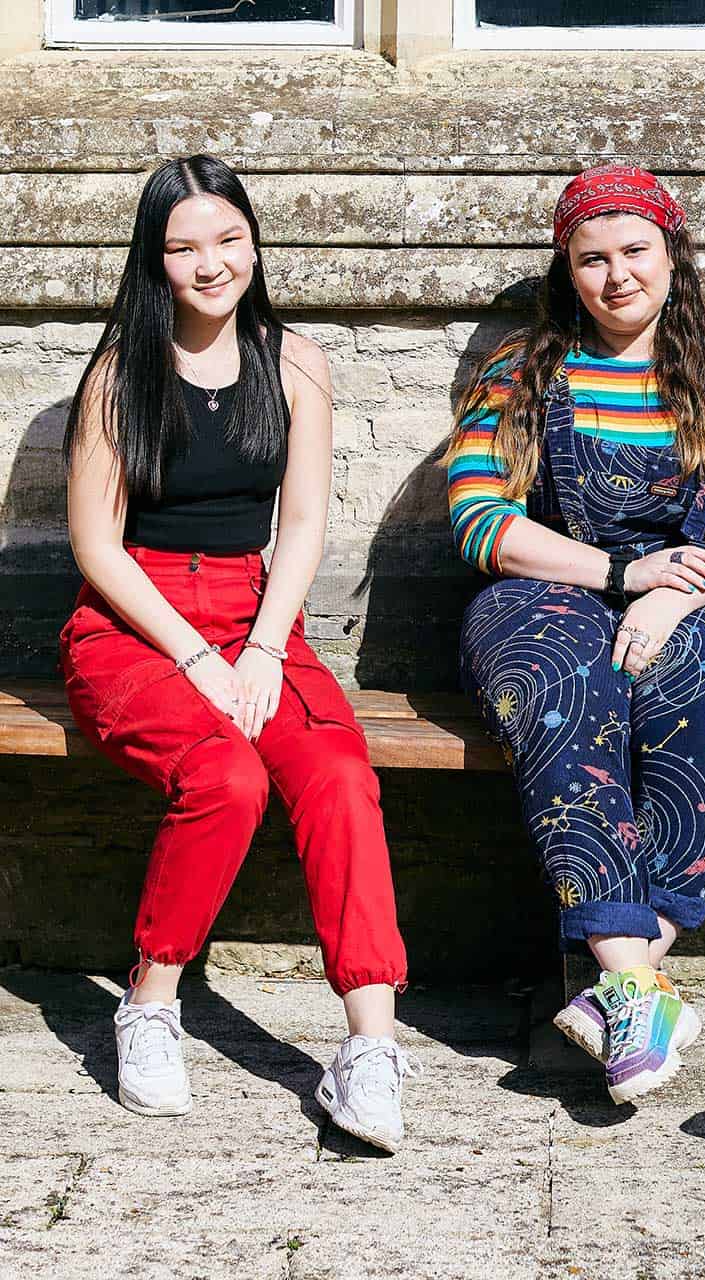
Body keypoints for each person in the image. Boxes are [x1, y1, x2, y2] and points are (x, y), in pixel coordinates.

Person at [60, 155, 415, 1151]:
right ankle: (149, 1003)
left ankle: (370, 1049)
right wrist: (196, 660)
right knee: (223, 775)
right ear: (154, 260)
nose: (210, 264)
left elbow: (300, 521)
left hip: (256, 613)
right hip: (136, 620)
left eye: (227, 240)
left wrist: (260, 646)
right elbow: (97, 545)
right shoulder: (116, 375)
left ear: (253, 242)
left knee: (341, 772)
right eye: (183, 247)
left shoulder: (296, 361)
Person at [445, 165, 705, 1104]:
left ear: (673, 254)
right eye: (593, 258)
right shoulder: (521, 374)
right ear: (566, 270)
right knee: (563, 682)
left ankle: (621, 978)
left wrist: (675, 595)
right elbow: (480, 517)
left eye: (635, 252)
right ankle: (636, 978)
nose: (617, 276)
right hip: (554, 582)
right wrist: (616, 574)